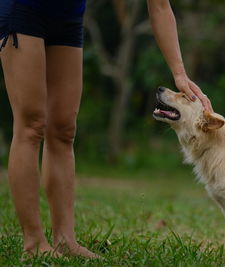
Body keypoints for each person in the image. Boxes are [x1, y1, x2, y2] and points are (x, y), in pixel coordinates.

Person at [0, 0, 210, 258]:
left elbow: (160, 8)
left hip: (68, 16)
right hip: (23, 9)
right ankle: (33, 244)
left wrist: (179, 73)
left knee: (64, 129)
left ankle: (65, 240)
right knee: (31, 124)